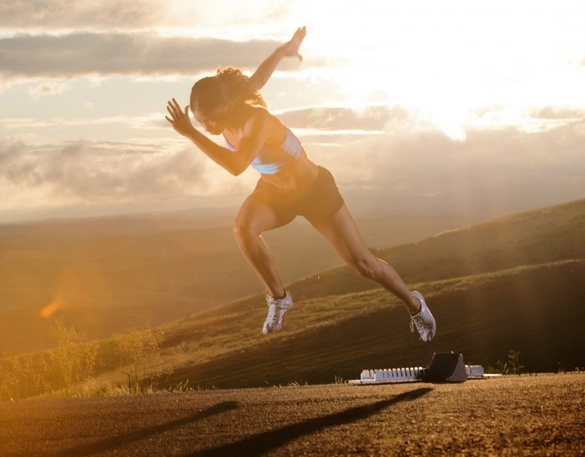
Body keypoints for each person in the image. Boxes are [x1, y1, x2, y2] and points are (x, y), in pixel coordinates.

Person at [165, 26, 436, 341]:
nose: (206, 126)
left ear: (226, 106)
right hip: (275, 192)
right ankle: (280, 298)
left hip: (315, 192)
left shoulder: (258, 121)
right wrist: (285, 49)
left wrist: (190, 134)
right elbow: (260, 77)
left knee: (365, 265)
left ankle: (416, 306)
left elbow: (237, 165)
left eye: (209, 119)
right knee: (242, 228)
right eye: (199, 121)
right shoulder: (232, 100)